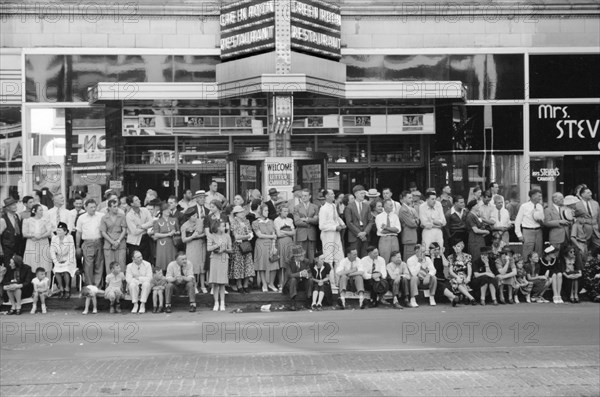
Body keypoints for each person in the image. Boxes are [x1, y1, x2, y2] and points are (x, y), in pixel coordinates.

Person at [181, 206, 207, 293]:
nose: (195, 217)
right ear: (189, 217)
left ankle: (203, 286)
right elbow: (184, 239)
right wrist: (192, 236)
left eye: (196, 215)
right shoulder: (184, 225)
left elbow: (203, 233)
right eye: (193, 216)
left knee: (201, 267)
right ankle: (194, 285)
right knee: (193, 266)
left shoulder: (200, 222)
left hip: (200, 245)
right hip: (191, 246)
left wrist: (198, 235)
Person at [252, 204, 278, 292]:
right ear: (261, 212)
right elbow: (259, 235)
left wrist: (274, 247)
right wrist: (271, 237)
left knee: (274, 264)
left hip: (271, 244)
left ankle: (271, 283)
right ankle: (264, 284)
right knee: (262, 265)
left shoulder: (271, 221)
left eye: (268, 210)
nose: (267, 212)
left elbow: (274, 234)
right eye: (265, 210)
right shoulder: (256, 222)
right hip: (261, 244)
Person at [207, 221, 232, 311]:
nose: (224, 228)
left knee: (222, 282)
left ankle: (222, 302)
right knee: (215, 283)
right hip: (214, 258)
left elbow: (231, 249)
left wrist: (225, 249)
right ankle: (216, 302)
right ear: (217, 227)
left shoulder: (227, 236)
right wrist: (217, 245)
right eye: (222, 226)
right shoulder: (211, 236)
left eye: (224, 226)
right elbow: (209, 248)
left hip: (224, 258)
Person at [319, 189, 346, 270]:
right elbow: (321, 226)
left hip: (336, 234)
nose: (334, 195)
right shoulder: (323, 209)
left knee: (339, 257)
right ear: (327, 196)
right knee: (329, 259)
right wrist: (334, 228)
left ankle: (339, 280)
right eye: (332, 194)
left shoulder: (333, 206)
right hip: (328, 235)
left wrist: (342, 224)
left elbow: (336, 217)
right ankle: (331, 281)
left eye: (333, 194)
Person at [230, 205, 255, 293]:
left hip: (246, 245)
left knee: (248, 265)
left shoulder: (247, 221)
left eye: (243, 211)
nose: (243, 213)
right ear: (236, 214)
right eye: (240, 212)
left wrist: (246, 236)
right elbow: (236, 236)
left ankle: (246, 284)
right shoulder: (234, 222)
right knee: (238, 265)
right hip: (238, 246)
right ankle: (239, 284)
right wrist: (247, 236)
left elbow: (251, 234)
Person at [22, 204, 53, 275]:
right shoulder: (27, 221)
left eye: (42, 210)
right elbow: (24, 233)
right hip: (32, 243)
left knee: (44, 262)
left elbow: (49, 232)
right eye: (40, 210)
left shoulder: (45, 220)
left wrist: (41, 236)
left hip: (43, 243)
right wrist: (33, 236)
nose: (42, 212)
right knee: (32, 261)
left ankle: (45, 282)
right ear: (34, 211)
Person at [100, 199, 127, 277]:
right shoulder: (104, 218)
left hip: (120, 243)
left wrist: (118, 241)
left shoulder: (121, 216)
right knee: (109, 266)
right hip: (108, 243)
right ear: (109, 207)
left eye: (117, 206)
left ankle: (122, 285)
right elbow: (103, 232)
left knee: (121, 264)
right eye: (114, 206)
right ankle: (109, 285)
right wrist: (112, 242)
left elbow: (124, 230)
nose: (116, 208)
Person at [515, 189, 545, 259]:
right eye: (539, 196)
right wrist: (519, 235)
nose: (540, 198)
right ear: (533, 196)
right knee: (527, 253)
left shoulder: (540, 206)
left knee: (538, 252)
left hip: (538, 231)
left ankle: (537, 269)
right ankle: (527, 268)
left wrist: (541, 221)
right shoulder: (524, 206)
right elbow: (517, 221)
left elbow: (543, 220)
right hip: (527, 231)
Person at [345, 187, 374, 259]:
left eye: (364, 193)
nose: (363, 195)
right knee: (354, 257)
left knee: (365, 257)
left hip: (365, 235)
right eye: (361, 193)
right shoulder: (349, 207)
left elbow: (370, 221)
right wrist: (359, 233)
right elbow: (349, 222)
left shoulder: (367, 206)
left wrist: (365, 232)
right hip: (354, 235)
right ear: (355, 194)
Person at [50, 222, 77, 299]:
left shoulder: (70, 238)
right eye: (57, 230)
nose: (58, 232)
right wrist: (56, 262)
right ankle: (61, 289)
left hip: (69, 260)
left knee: (66, 270)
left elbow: (72, 251)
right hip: (58, 260)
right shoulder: (54, 238)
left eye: (60, 230)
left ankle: (67, 289)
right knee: (57, 270)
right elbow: (52, 251)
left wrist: (67, 262)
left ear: (65, 232)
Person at [125, 195, 154, 262]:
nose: (139, 201)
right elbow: (134, 231)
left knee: (146, 260)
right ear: (131, 204)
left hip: (145, 238)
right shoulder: (129, 216)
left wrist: (141, 226)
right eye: (136, 200)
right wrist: (146, 228)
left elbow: (151, 222)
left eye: (138, 199)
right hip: (134, 242)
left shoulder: (145, 210)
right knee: (136, 261)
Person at [447, 240, 477, 305]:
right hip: (454, 276)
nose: (456, 248)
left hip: (464, 275)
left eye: (458, 246)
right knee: (458, 282)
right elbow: (451, 271)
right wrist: (457, 277)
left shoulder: (467, 256)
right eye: (455, 246)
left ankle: (466, 297)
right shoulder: (450, 257)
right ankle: (471, 298)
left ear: (462, 247)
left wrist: (469, 276)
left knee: (462, 280)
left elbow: (469, 267)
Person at [282, 245, 311, 311]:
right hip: (291, 284)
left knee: (310, 280)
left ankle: (308, 300)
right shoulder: (288, 262)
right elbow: (290, 275)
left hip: (302, 283)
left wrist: (306, 274)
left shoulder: (306, 261)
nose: (303, 256)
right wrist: (300, 274)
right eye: (301, 255)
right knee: (293, 279)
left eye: (303, 254)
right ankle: (292, 303)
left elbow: (310, 273)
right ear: (296, 256)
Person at [293, 189, 319, 261]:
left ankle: (311, 272)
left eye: (305, 196)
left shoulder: (315, 207)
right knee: (301, 256)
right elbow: (297, 222)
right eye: (302, 196)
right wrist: (309, 223)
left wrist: (306, 219)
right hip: (301, 234)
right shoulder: (297, 207)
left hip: (311, 235)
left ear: (310, 196)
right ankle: (302, 272)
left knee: (312, 256)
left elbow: (316, 221)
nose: (303, 197)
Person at [153, 203, 180, 273]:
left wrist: (175, 232)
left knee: (172, 259)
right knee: (162, 261)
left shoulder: (174, 219)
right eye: (166, 210)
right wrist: (168, 234)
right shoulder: (157, 221)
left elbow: (178, 231)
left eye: (169, 209)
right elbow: (156, 234)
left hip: (172, 243)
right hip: (162, 244)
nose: (168, 211)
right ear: (162, 211)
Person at [274, 206, 296, 289]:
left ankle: (287, 283)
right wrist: (288, 232)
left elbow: (293, 232)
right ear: (280, 211)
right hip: (281, 242)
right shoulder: (276, 220)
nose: (286, 213)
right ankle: (280, 283)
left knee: (289, 263)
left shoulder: (290, 220)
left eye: (287, 211)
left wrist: (283, 231)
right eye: (284, 211)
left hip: (290, 242)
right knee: (281, 263)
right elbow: (278, 234)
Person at [574, 187, 600, 252]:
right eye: (588, 193)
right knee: (583, 251)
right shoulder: (576, 205)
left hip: (596, 232)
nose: (591, 194)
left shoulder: (595, 203)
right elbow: (573, 218)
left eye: (590, 192)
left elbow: (598, 217)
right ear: (582, 195)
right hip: (583, 232)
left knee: (598, 248)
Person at [375, 199, 401, 264]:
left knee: (395, 259)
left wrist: (386, 228)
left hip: (394, 239)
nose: (392, 207)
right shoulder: (379, 217)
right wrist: (393, 229)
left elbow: (398, 229)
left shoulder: (395, 216)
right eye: (390, 205)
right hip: (384, 239)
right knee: (384, 259)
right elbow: (382, 231)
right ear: (385, 206)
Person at [1, 198, 24, 266]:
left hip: (18, 248)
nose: (15, 206)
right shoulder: (3, 220)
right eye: (12, 205)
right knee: (8, 269)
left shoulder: (17, 216)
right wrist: (1, 250)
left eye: (15, 204)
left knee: (18, 269)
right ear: (7, 207)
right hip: (7, 249)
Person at [398, 191, 420, 261]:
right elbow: (412, 223)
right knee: (409, 259)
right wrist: (416, 220)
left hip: (412, 237)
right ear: (404, 198)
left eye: (411, 197)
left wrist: (415, 220)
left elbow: (417, 220)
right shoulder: (403, 209)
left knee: (413, 259)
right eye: (409, 197)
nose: (411, 199)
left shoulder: (409, 208)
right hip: (408, 238)